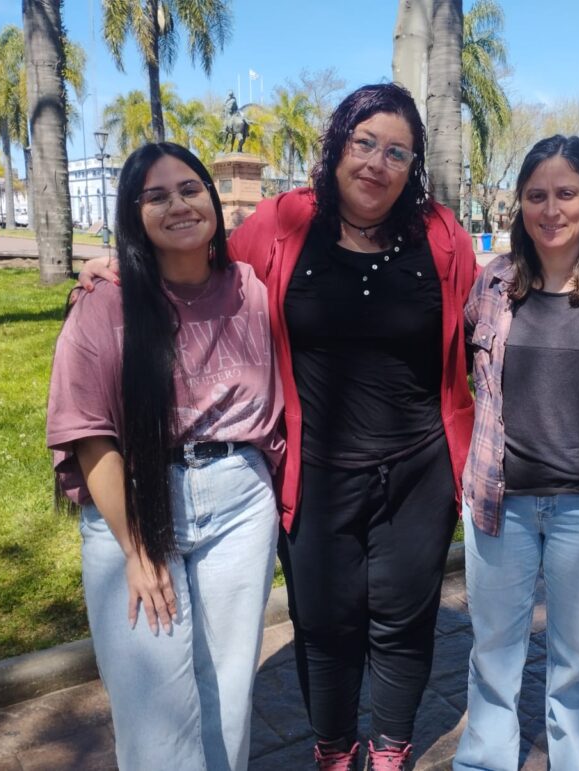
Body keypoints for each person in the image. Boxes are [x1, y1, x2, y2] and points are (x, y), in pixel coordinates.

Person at [78, 83, 477, 771]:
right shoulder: (284, 222)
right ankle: (333, 749)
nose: (377, 163)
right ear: (337, 144)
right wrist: (121, 265)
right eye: (364, 143)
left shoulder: (441, 237)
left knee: (406, 620)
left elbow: (481, 327)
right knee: (323, 622)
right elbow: (200, 259)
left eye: (397, 152)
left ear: (414, 166)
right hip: (314, 468)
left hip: (420, 466)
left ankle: (389, 748)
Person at [47, 142, 283, 770]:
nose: (178, 204)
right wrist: (136, 548)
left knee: (228, 694)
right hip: (137, 503)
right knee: (154, 709)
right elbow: (89, 432)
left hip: (239, 501)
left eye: (190, 189)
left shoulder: (250, 290)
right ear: (132, 213)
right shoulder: (105, 304)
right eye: (156, 196)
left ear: (213, 199)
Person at [453, 135, 579, 771]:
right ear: (519, 203)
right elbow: (471, 376)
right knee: (493, 649)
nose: (551, 209)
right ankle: (485, 761)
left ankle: (575, 761)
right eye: (536, 195)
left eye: (566, 193)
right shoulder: (494, 285)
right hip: (501, 500)